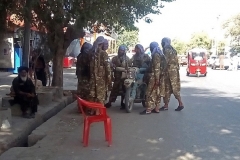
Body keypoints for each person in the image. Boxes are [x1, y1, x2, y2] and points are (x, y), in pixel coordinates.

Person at [87, 36, 111, 114]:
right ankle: (98, 112)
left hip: (92, 78)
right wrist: (109, 79)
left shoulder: (91, 53)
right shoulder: (103, 53)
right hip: (101, 79)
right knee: (100, 95)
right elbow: (107, 68)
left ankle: (91, 111)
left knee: (92, 94)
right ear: (102, 44)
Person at [140, 42, 166, 115]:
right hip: (161, 76)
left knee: (150, 92)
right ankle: (156, 108)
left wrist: (157, 79)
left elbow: (156, 68)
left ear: (152, 47)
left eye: (150, 47)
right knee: (157, 93)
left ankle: (148, 109)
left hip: (155, 76)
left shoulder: (156, 55)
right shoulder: (161, 54)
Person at [160, 37, 184, 111]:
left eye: (162, 42)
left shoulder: (165, 49)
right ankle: (167, 105)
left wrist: (161, 71)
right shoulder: (173, 49)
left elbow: (165, 62)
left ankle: (180, 103)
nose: (161, 43)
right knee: (173, 88)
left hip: (168, 72)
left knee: (168, 88)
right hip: (174, 71)